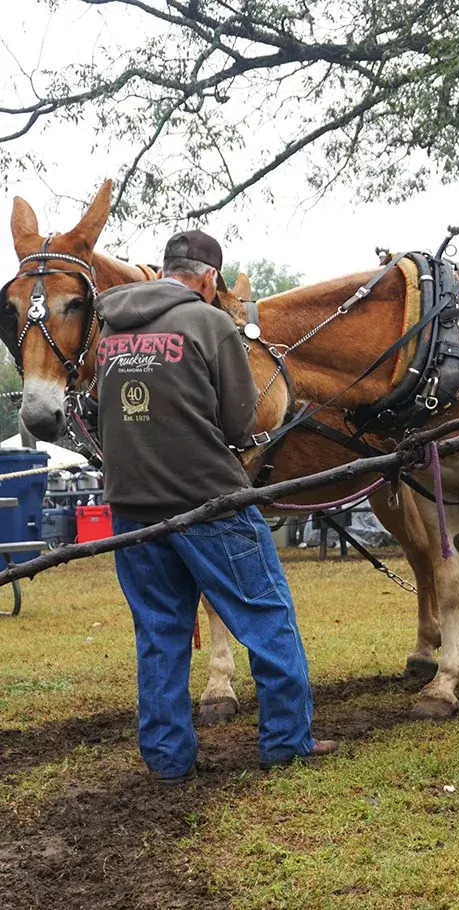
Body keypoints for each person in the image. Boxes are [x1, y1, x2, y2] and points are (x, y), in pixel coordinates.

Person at [96, 230, 337, 783]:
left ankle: (167, 758)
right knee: (267, 614)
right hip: (209, 502)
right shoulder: (210, 323)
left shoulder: (112, 329)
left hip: (131, 508)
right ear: (208, 279)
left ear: (164, 270)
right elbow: (240, 423)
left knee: (159, 632)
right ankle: (286, 742)